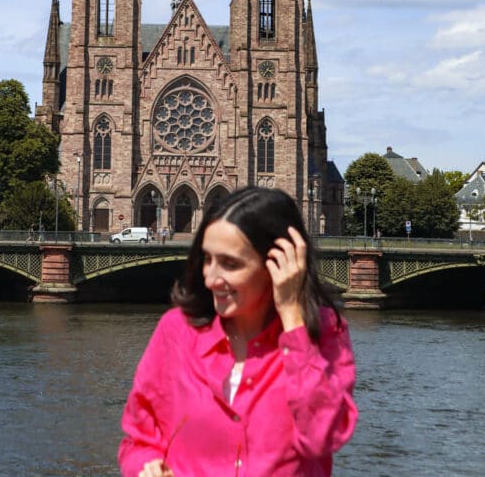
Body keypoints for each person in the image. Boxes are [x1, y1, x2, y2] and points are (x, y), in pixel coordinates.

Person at [119, 186, 357, 477]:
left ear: (280, 261)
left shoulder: (324, 333)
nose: (211, 278)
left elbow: (320, 437)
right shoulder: (176, 330)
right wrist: (146, 467)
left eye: (230, 264)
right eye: (207, 259)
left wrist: (294, 320)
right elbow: (139, 440)